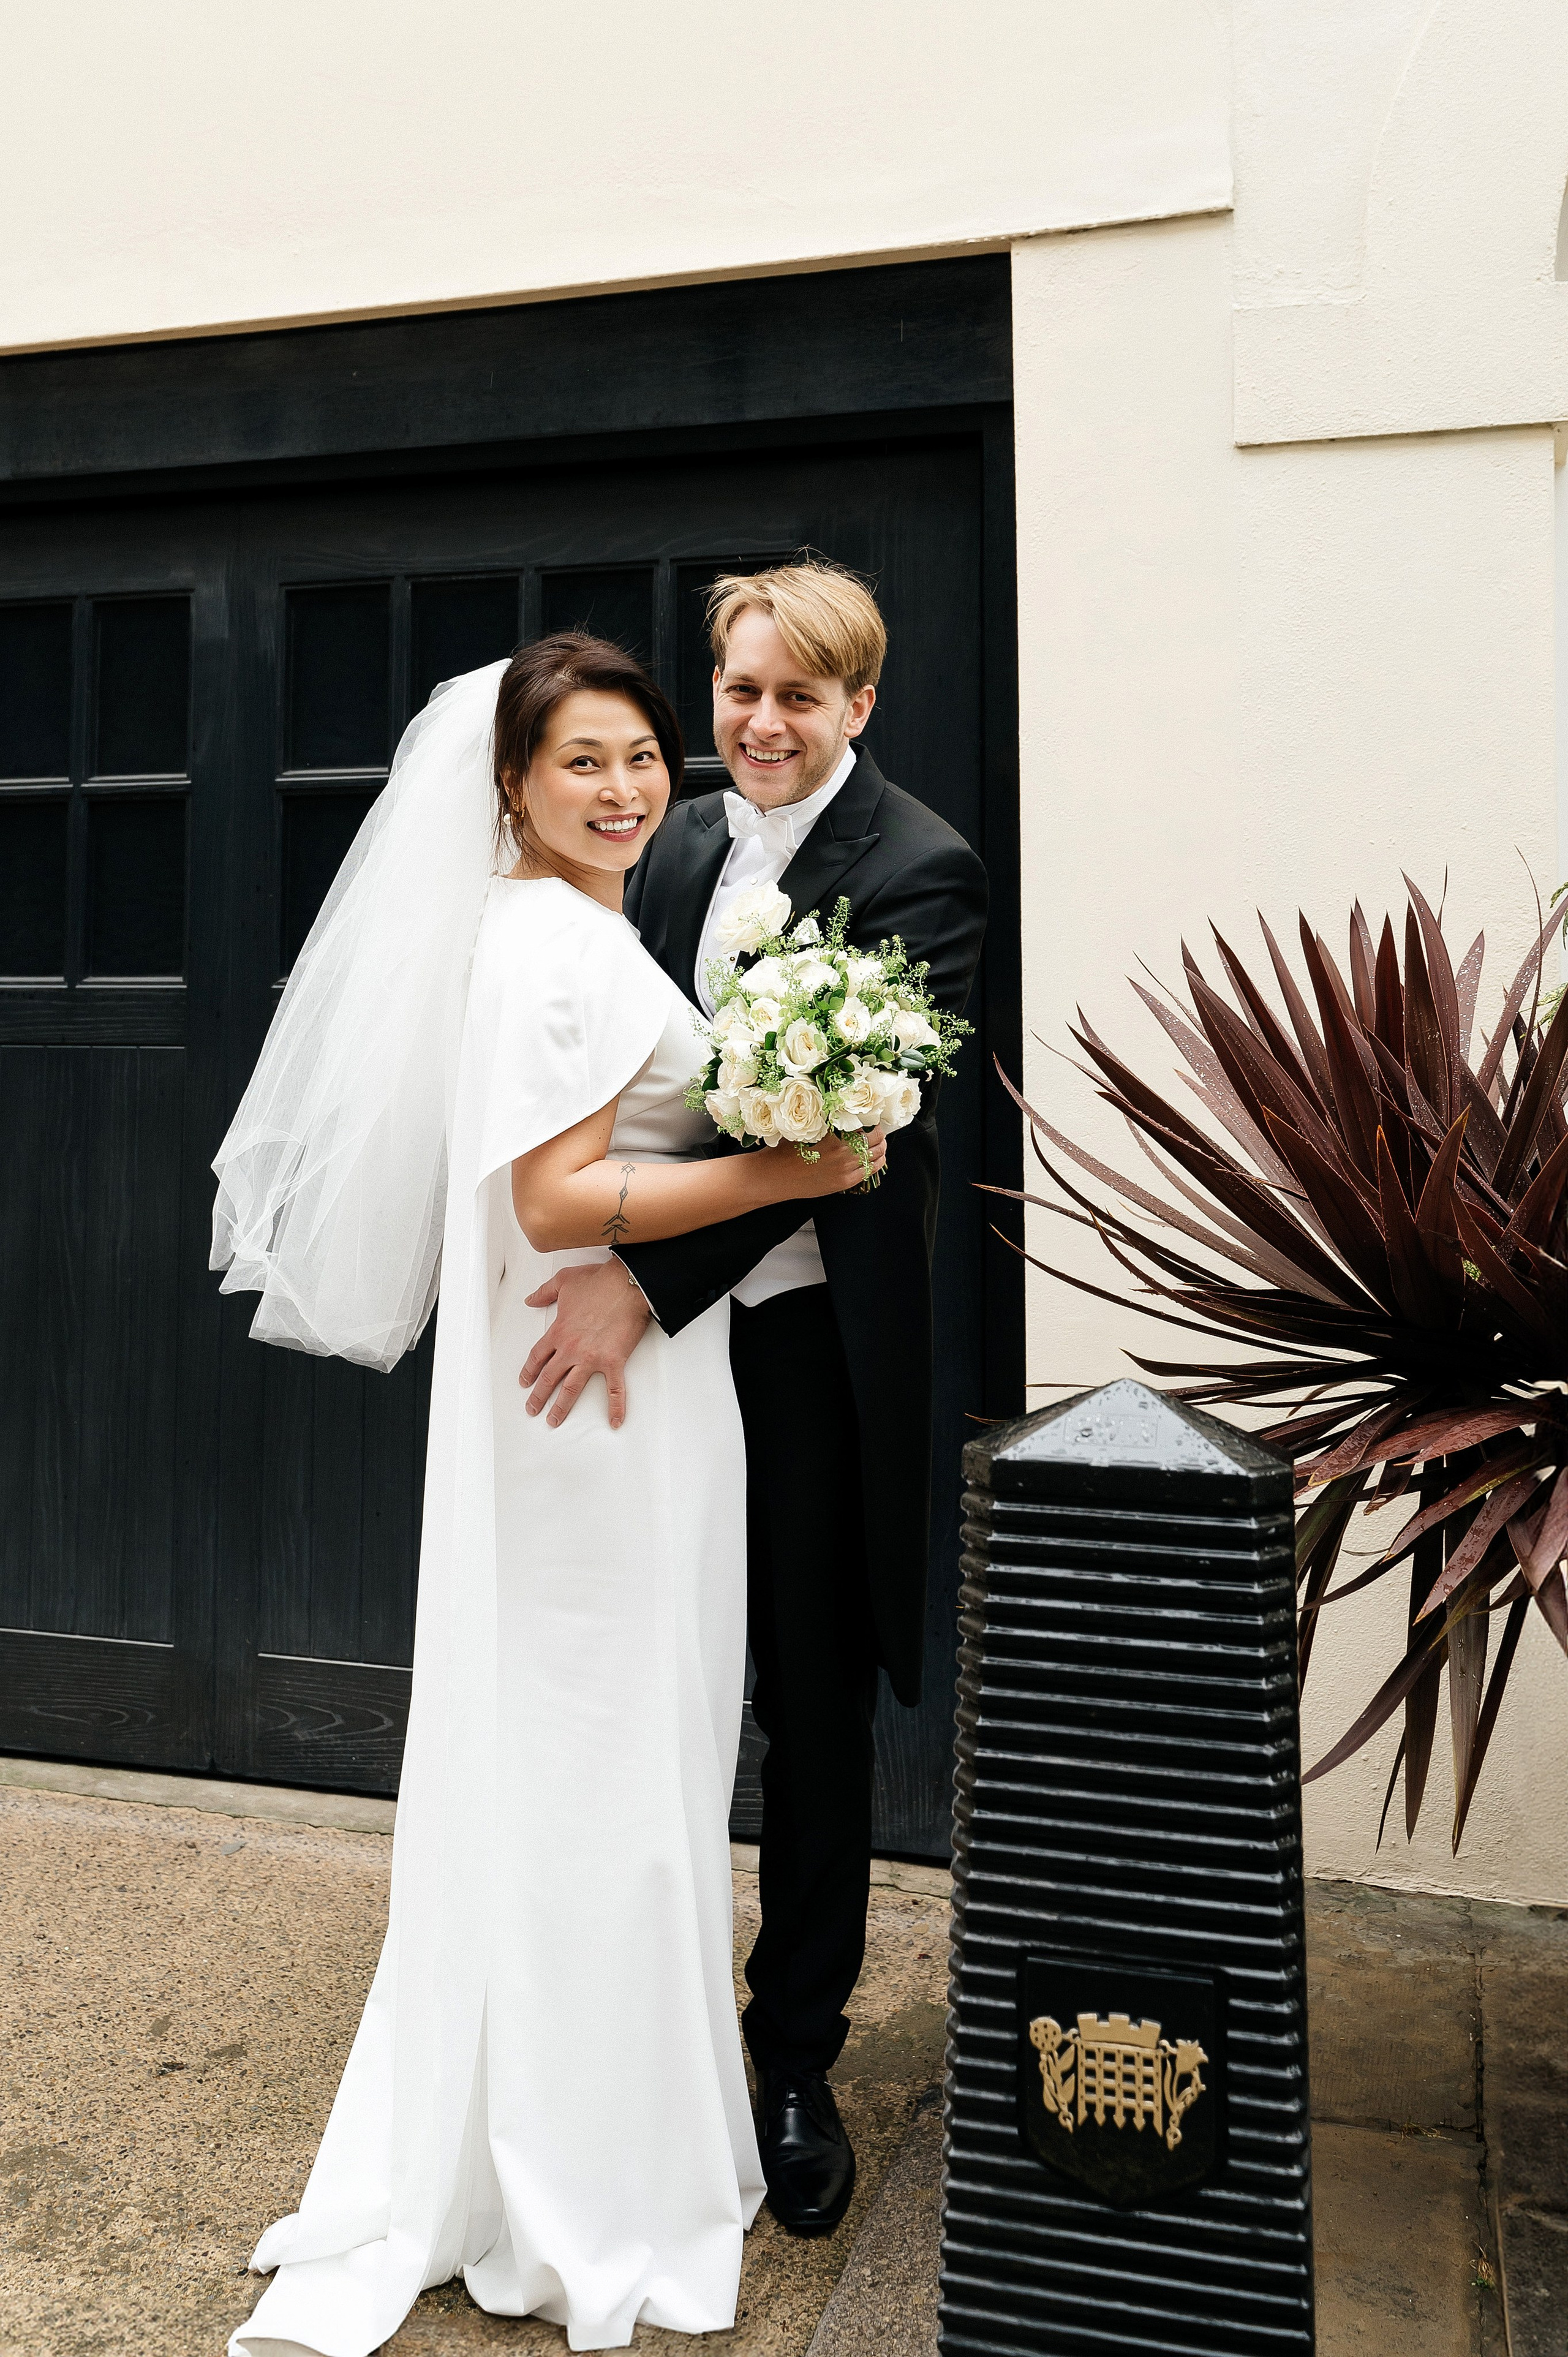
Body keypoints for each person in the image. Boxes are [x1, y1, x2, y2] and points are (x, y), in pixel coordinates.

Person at [211, 635, 884, 2357]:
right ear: (508, 781)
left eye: (644, 755)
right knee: (604, 1754)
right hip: (604, 1412)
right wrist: (799, 1162)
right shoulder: (562, 952)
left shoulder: (548, 930)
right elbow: (567, 1197)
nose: (629, 786)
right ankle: (590, 2167)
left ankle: (559, 2134)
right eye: (584, 760)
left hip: (597, 1407)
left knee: (579, 1750)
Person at [516, 564, 989, 2234]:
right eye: (740, 692)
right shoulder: (684, 844)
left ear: (862, 702)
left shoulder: (926, 871)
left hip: (795, 1357)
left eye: (800, 696)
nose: (763, 725)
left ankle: (792, 2058)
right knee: (639, 1673)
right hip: (660, 1350)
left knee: (804, 1708)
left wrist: (637, 1281)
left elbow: (834, 1159)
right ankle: (615, 2034)